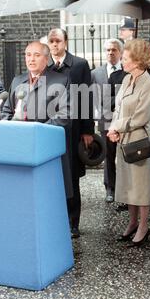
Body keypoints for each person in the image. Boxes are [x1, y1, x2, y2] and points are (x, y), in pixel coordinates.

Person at [0, 41, 73, 199]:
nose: (31, 59)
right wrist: (9, 129)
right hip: (20, 144)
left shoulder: (60, 81)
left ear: (46, 60)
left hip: (45, 146)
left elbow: (64, 115)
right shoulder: (17, 81)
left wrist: (37, 132)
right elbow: (6, 109)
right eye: (28, 55)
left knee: (48, 194)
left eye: (36, 55)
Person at [107, 40, 150, 246]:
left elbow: (141, 117)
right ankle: (132, 223)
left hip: (139, 142)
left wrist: (116, 127)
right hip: (122, 140)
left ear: (137, 61)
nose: (122, 62)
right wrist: (113, 129)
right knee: (128, 186)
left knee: (141, 188)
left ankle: (144, 227)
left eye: (126, 59)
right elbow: (118, 109)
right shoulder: (127, 79)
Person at [47, 28, 94, 238]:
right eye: (51, 41)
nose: (54, 45)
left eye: (58, 41)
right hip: (49, 127)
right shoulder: (45, 66)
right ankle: (55, 220)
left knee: (71, 176)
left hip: (73, 129)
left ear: (66, 42)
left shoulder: (80, 65)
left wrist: (87, 129)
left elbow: (87, 98)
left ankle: (73, 223)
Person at [91, 38, 124, 203]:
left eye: (114, 50)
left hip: (124, 121)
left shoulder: (128, 71)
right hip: (105, 120)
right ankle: (110, 188)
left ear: (121, 52)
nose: (111, 53)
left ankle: (125, 190)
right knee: (108, 156)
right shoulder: (96, 73)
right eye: (108, 50)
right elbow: (93, 97)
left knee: (125, 156)